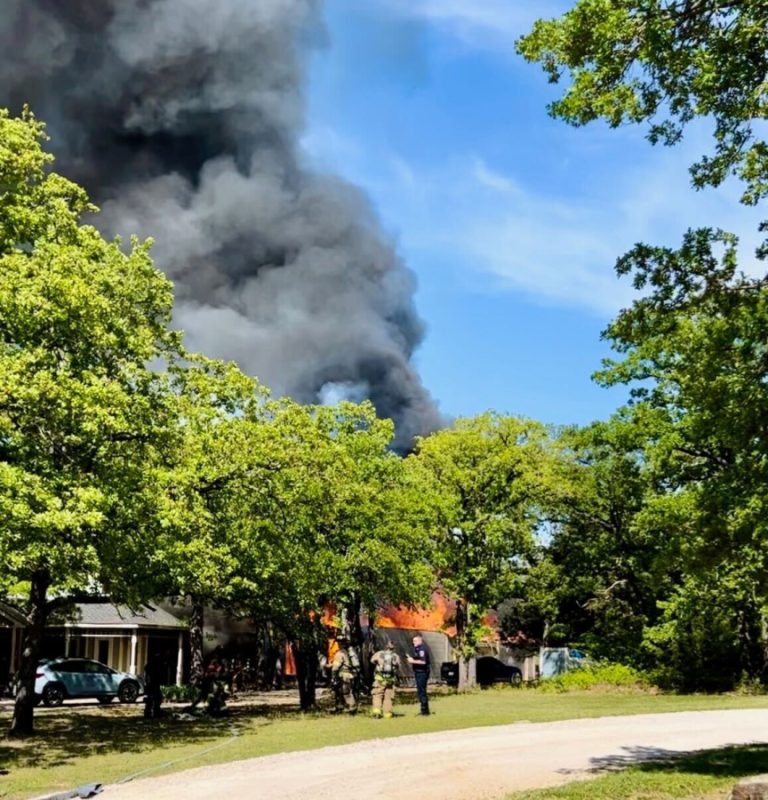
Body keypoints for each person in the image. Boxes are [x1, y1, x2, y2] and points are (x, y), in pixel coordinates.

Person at [370, 639, 400, 719]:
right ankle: (387, 714)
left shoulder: (379, 654)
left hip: (380, 679)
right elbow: (397, 667)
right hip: (390, 680)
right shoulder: (396, 656)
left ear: (385, 646)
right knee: (388, 697)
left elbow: (372, 661)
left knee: (377, 695)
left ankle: (377, 713)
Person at [330, 636, 358, 713]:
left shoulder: (339, 653)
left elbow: (335, 667)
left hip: (343, 675)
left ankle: (352, 708)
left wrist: (333, 676)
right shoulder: (348, 652)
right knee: (341, 691)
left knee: (346, 692)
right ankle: (340, 707)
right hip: (349, 674)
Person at [407, 634, 430, 716]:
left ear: (420, 640)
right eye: (413, 641)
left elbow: (423, 662)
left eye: (415, 641)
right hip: (418, 672)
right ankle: (424, 710)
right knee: (420, 691)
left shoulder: (422, 649)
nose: (414, 643)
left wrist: (412, 661)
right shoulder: (417, 649)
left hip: (422, 672)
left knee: (422, 691)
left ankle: (425, 711)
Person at [143, 652, 164, 719]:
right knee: (154, 699)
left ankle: (151, 713)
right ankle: (153, 713)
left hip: (152, 684)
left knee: (153, 699)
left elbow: (146, 676)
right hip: (153, 684)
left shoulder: (149, 665)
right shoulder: (154, 666)